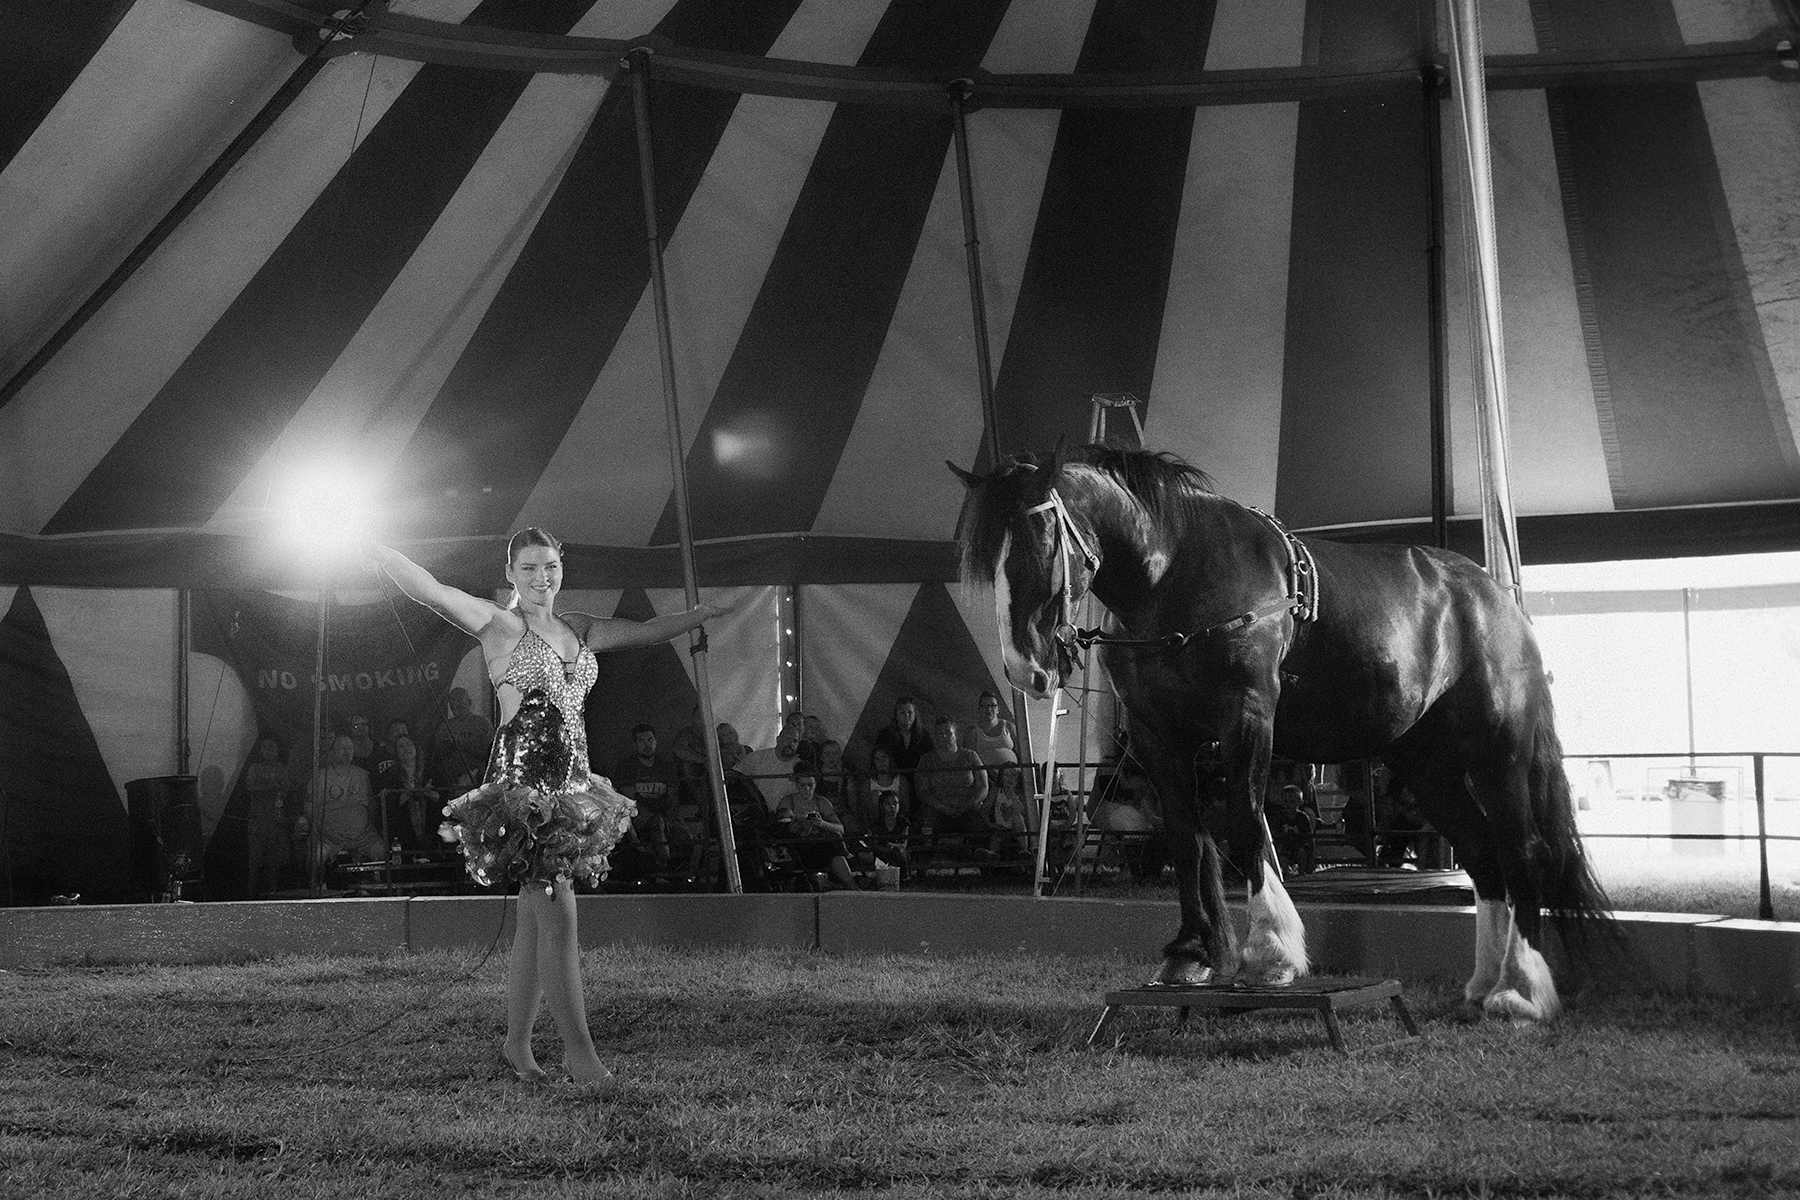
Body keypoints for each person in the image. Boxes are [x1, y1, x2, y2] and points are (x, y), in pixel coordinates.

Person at [372, 527, 721, 1087]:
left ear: (563, 568)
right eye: (530, 568)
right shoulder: (500, 626)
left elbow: (650, 630)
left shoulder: (579, 627)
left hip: (573, 791)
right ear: (511, 574)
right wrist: (378, 547)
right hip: (523, 799)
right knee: (558, 918)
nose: (542, 578)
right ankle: (583, 1060)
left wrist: (700, 613)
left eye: (551, 566)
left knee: (538, 928)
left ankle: (516, 1045)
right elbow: (432, 590)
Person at [302, 734, 386, 867]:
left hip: (361, 836)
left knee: (381, 852)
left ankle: (372, 886)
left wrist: (368, 825)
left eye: (350, 748)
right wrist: (325, 831)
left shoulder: (363, 775)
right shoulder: (319, 777)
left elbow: (372, 804)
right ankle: (320, 886)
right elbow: (310, 808)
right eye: (342, 748)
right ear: (333, 750)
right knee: (316, 855)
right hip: (329, 837)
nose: (347, 752)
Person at [773, 763, 860, 890]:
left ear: (815, 785)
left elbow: (840, 829)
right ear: (796, 785)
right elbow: (782, 829)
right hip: (797, 849)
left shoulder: (822, 802)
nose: (807, 789)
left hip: (819, 847)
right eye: (803, 785)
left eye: (810, 785)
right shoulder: (787, 802)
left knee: (833, 848)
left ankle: (852, 886)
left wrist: (822, 823)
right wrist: (799, 823)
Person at [913, 716, 989, 845]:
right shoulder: (927, 760)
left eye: (948, 733)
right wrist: (942, 807)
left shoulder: (970, 756)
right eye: (940, 734)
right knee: (924, 826)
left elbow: (983, 787)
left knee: (980, 828)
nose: (944, 737)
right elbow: (922, 790)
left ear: (955, 735)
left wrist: (968, 805)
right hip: (937, 809)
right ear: (935, 737)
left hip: (967, 808)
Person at [242, 734, 291, 898]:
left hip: (275, 822)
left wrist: (266, 787)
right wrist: (270, 786)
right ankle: (250, 895)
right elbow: (250, 787)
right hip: (257, 821)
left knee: (273, 863)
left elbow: (284, 791)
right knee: (254, 863)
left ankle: (272, 896)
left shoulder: (283, 769)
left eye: (271, 746)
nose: (267, 750)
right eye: (264, 747)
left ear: (278, 749)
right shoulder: (254, 768)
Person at [374, 733, 436, 853]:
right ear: (396, 752)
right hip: (403, 829)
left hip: (430, 825)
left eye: (409, 744)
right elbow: (388, 806)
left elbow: (442, 798)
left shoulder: (431, 770)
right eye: (401, 746)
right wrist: (406, 794)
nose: (406, 748)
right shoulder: (390, 775)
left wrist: (430, 794)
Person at [433, 686, 495, 790]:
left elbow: (490, 756)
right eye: (453, 707)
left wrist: (463, 747)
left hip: (477, 780)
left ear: (469, 703)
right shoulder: (445, 726)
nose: (456, 710)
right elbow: (437, 758)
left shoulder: (482, 724)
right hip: (452, 782)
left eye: (460, 706)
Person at [734, 723, 804, 814]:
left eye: (795, 741)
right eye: (787, 739)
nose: (791, 743)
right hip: (757, 816)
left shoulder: (801, 767)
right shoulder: (756, 758)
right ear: (778, 739)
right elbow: (735, 776)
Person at [961, 690, 1017, 777]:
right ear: (979, 709)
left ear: (998, 709)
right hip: (985, 778)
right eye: (984, 706)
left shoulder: (1009, 727)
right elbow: (968, 760)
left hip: (1012, 777)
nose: (988, 709)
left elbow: (1022, 753)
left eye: (992, 705)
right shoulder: (972, 731)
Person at [874, 697, 931, 775]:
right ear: (896, 715)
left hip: (919, 778)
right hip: (893, 778)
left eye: (910, 712)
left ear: (915, 715)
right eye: (902, 713)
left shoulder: (924, 735)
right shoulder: (886, 735)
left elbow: (930, 759)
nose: (907, 716)